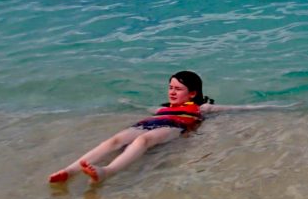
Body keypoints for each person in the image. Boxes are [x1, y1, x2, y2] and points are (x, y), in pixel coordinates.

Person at [48, 70, 248, 184]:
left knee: (142, 141)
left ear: (193, 93)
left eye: (178, 89)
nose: (172, 92)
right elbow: (143, 108)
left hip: (174, 126)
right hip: (147, 123)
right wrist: (126, 102)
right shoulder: (162, 108)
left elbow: (239, 109)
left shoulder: (202, 107)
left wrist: (274, 106)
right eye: (170, 88)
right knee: (114, 141)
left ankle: (107, 172)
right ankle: (70, 170)